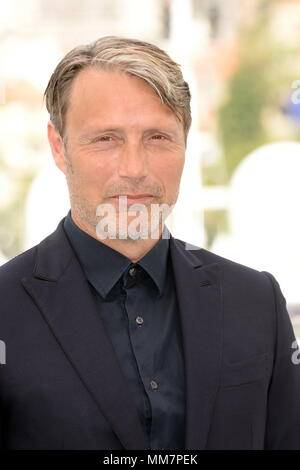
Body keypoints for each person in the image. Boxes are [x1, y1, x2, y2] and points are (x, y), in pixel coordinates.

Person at [0, 36, 299, 451]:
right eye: (106, 138)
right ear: (59, 147)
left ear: (185, 143)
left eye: (157, 137)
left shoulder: (256, 302)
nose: (135, 169)